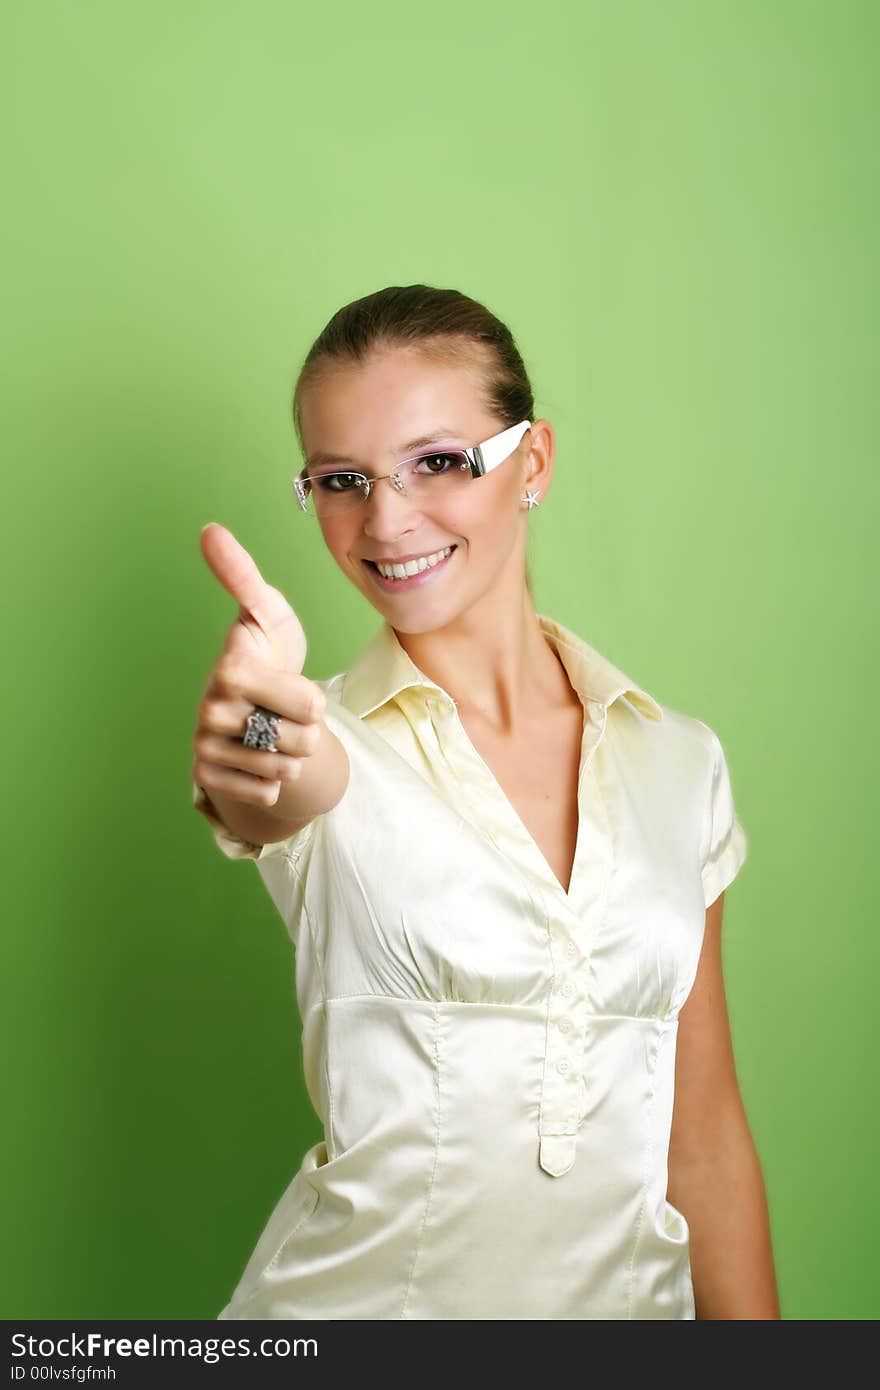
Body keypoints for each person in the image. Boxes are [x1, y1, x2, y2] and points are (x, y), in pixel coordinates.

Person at [191, 283, 780, 1320]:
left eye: (438, 461)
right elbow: (278, 790)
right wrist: (259, 737)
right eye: (341, 479)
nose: (386, 517)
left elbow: (705, 1134)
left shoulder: (678, 763)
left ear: (532, 463)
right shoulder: (322, 734)